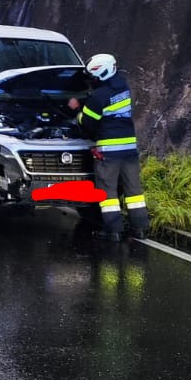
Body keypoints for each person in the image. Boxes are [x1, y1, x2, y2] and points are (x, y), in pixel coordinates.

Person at [68, 53, 149, 240]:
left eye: (93, 77)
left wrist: (77, 110)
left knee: (107, 191)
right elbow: (109, 107)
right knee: (134, 191)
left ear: (100, 74)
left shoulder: (98, 96)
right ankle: (140, 229)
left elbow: (87, 123)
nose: (91, 80)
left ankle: (114, 231)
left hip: (109, 152)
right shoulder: (124, 87)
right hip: (129, 148)